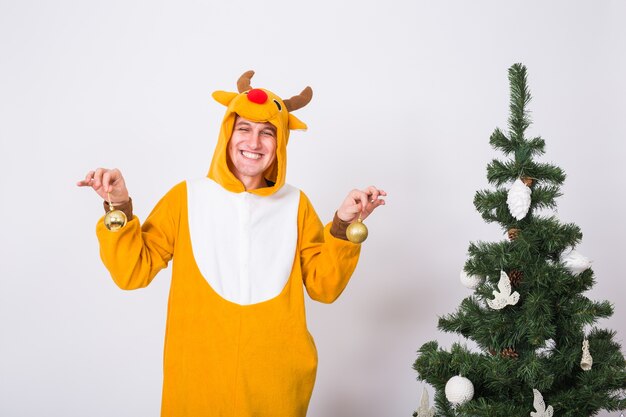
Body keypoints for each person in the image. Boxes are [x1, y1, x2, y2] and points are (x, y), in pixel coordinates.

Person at [77, 71, 386, 417]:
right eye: (244, 129)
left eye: (267, 132)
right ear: (227, 133)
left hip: (276, 391)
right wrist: (119, 206)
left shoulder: (296, 206)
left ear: (281, 141)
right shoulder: (186, 198)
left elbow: (324, 286)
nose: (254, 143)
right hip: (197, 387)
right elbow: (132, 271)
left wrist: (343, 224)